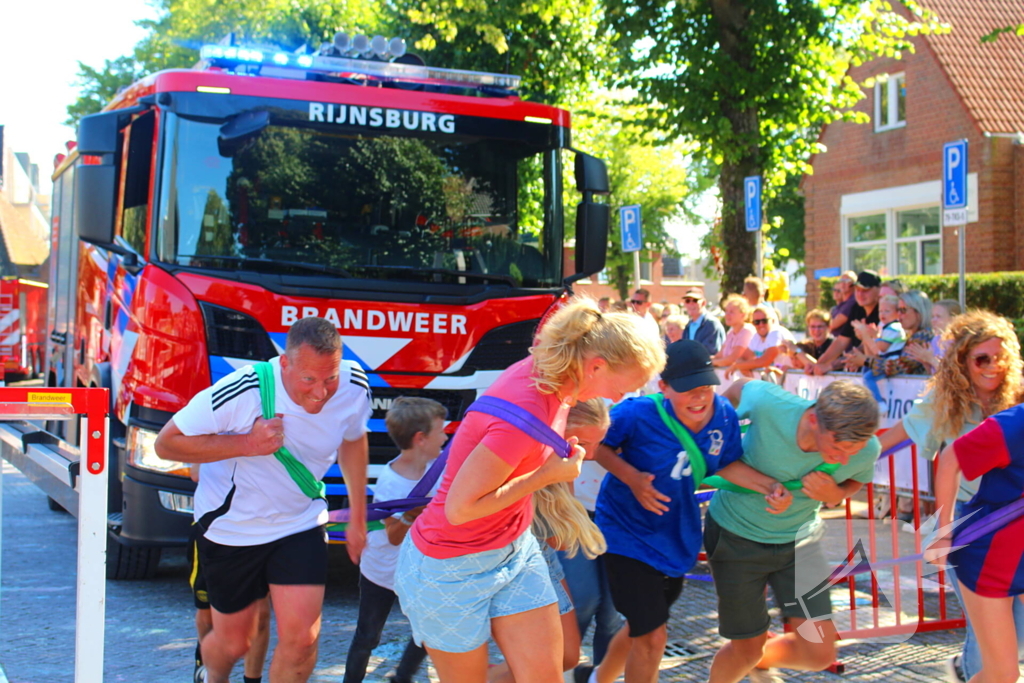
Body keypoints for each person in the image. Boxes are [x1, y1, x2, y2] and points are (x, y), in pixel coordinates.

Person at [394, 298, 665, 683]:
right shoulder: (529, 408)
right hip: (451, 564)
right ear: (597, 366)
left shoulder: (558, 373)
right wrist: (546, 475)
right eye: (623, 388)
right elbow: (460, 509)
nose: (619, 399)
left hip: (513, 549)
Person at [154, 316, 371, 683]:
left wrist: (359, 517)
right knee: (234, 643)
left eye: (329, 378)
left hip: (299, 523)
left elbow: (353, 438)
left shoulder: (353, 385)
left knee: (303, 640)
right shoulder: (243, 390)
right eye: (309, 380)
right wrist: (247, 444)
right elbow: (166, 444)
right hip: (232, 529)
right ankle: (210, 675)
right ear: (284, 363)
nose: (321, 392)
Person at [583, 341, 792, 683]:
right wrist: (632, 478)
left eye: (706, 387)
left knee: (645, 626)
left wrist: (770, 486)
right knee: (652, 637)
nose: (699, 398)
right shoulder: (635, 413)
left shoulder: (723, 414)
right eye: (688, 390)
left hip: (675, 537)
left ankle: (597, 679)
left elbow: (727, 463)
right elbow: (598, 445)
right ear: (662, 387)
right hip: (626, 534)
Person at [879, 310, 1024, 681]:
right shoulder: (943, 401)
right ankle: (971, 669)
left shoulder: (1018, 395)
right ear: (961, 361)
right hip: (970, 524)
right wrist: (833, 464)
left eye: (1000, 356)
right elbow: (892, 442)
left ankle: (965, 670)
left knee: (1014, 638)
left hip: (1016, 525)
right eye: (981, 359)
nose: (993, 367)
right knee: (992, 646)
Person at [706, 379, 881, 683]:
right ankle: (751, 657)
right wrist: (718, 433)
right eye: (837, 447)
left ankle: (759, 659)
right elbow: (737, 389)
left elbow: (855, 480)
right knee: (745, 650)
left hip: (799, 543)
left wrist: (833, 494)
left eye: (852, 451)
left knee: (819, 654)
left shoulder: (866, 449)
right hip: (735, 535)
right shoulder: (769, 403)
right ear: (814, 419)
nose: (842, 459)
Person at [490, 399, 612, 683]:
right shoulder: (524, 453)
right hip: (514, 561)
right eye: (584, 442)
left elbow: (561, 535)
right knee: (537, 662)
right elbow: (560, 536)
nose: (591, 454)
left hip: (544, 557)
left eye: (599, 444)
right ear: (559, 429)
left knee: (565, 656)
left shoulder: (567, 458)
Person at [343, 397, 446, 683]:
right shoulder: (390, 482)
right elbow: (392, 537)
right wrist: (412, 515)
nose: (446, 436)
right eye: (440, 430)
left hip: (420, 570)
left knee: (427, 630)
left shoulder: (439, 470)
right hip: (382, 571)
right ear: (420, 438)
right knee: (367, 636)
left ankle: (401, 678)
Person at [927, 404, 1024, 683]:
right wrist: (943, 532)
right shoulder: (1017, 423)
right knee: (1002, 674)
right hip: (989, 560)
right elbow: (950, 458)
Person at [189, 464, 272, 683]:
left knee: (260, 614)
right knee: (208, 613)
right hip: (213, 528)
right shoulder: (213, 428)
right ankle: (207, 669)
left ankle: (252, 679)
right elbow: (195, 473)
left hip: (260, 529)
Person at [810, 270, 881, 375]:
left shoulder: (882, 312)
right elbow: (841, 341)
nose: (860, 294)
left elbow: (861, 349)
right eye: (857, 289)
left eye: (865, 290)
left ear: (879, 290)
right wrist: (817, 365)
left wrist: (829, 366)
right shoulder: (857, 308)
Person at [849, 290, 933, 378]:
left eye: (903, 310)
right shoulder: (913, 335)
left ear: (918, 312)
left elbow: (898, 367)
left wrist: (866, 361)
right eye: (898, 310)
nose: (899, 314)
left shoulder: (923, 336)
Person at [725, 304, 782, 380]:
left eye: (764, 321)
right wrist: (743, 366)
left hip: (788, 384)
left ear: (772, 321)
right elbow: (741, 358)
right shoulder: (757, 336)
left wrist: (738, 366)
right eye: (756, 322)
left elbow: (764, 361)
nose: (761, 325)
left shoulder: (776, 333)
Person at [905, 299, 962, 374]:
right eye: (933, 316)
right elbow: (933, 374)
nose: (933, 320)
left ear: (953, 319)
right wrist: (925, 361)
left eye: (938, 316)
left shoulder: (959, 342)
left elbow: (950, 375)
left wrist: (931, 359)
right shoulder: (936, 339)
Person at [712, 294, 755, 370]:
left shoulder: (746, 331)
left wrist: (710, 363)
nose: (727, 315)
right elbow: (719, 356)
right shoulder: (731, 332)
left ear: (743, 315)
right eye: (726, 311)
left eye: (731, 312)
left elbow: (732, 359)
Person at [681, 287, 726, 356]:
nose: (691, 304)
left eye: (695, 300)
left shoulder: (711, 324)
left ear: (703, 303)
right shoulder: (688, 325)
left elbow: (712, 351)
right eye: (687, 301)